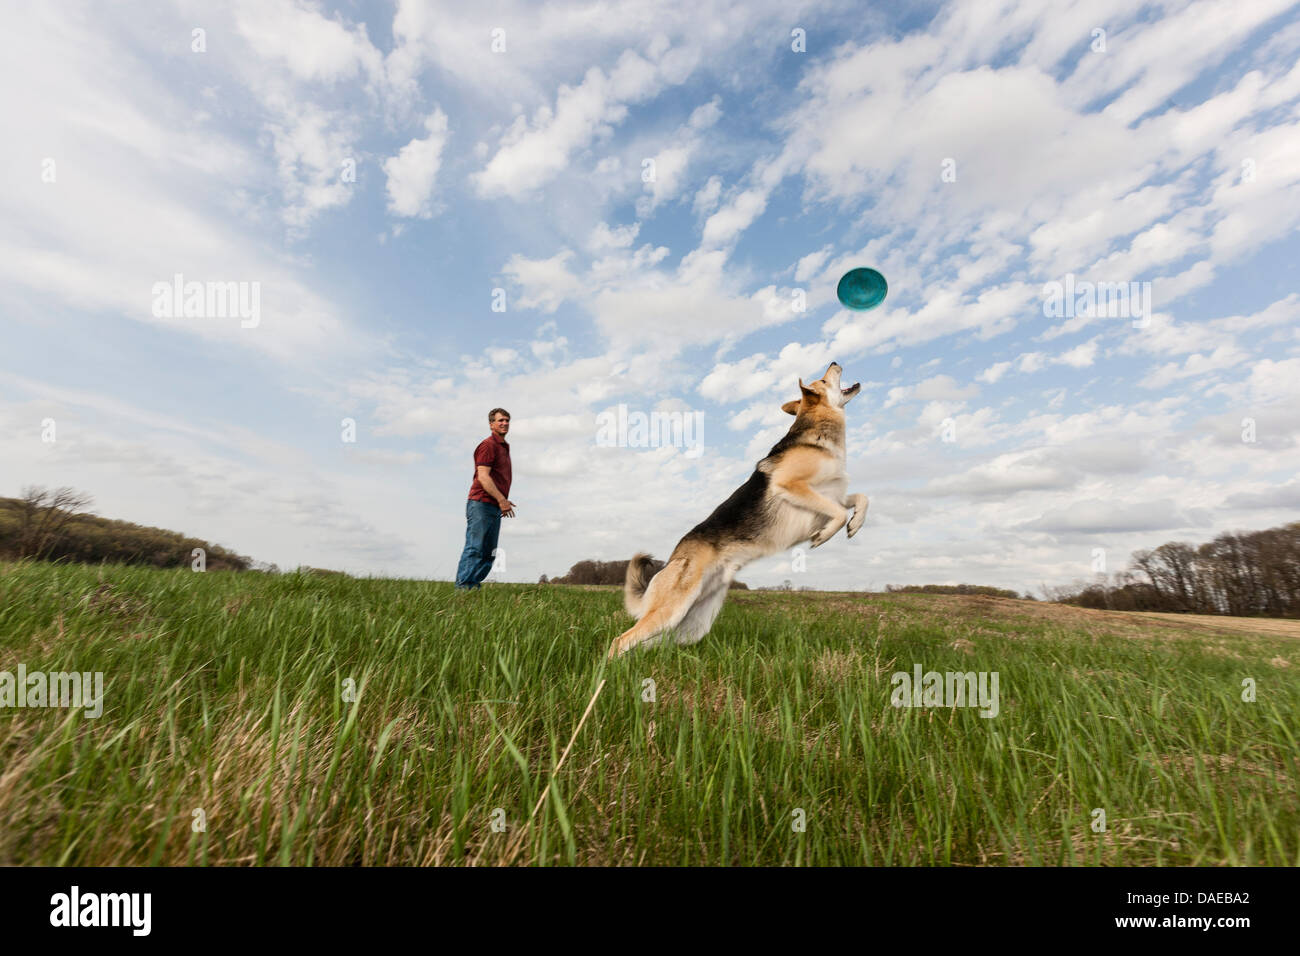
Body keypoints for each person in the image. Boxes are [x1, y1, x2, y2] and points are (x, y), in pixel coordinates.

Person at [454, 408, 515, 589]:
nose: (504, 423)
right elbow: (483, 477)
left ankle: (473, 586)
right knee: (475, 548)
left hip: (494, 505)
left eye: (507, 420)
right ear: (491, 424)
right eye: (500, 420)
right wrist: (501, 499)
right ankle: (463, 588)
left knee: (489, 552)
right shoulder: (488, 445)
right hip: (480, 503)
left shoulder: (503, 447)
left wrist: (501, 501)